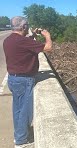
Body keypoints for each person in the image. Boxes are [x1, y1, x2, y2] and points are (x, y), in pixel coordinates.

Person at [3, 16, 52, 147]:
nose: (29, 27)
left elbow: (24, 44)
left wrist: (33, 34)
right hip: (24, 81)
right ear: (24, 27)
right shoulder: (22, 41)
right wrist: (47, 36)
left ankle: (18, 136)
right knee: (26, 111)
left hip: (13, 79)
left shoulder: (9, 40)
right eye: (28, 25)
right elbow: (48, 48)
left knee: (18, 110)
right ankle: (21, 141)